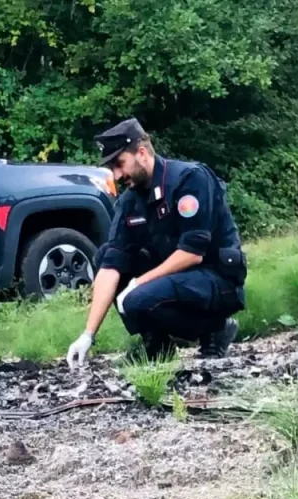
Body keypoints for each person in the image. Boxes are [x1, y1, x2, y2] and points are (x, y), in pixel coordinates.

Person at [66, 118, 248, 368]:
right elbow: (111, 264)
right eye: (112, 169)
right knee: (105, 254)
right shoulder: (130, 201)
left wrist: (138, 283)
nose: (117, 175)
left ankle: (215, 329)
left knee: (138, 298)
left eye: (120, 164)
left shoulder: (189, 179)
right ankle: (157, 344)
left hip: (213, 278)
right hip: (173, 279)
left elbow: (192, 253)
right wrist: (88, 335)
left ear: (141, 153)